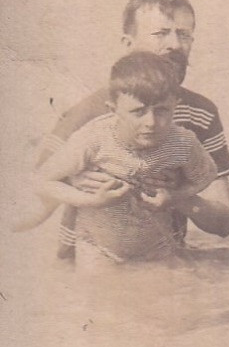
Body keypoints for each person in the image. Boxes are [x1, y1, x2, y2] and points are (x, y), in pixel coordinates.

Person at [24, 0, 229, 254]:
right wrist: (77, 183)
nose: (174, 44)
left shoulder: (201, 113)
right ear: (127, 44)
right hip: (87, 257)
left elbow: (225, 223)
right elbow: (34, 196)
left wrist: (178, 197)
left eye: (183, 34)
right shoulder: (90, 113)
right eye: (160, 33)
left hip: (159, 258)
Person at [34, 52, 218, 268]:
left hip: (158, 249)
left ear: (175, 106)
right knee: (99, 297)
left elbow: (207, 174)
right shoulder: (94, 138)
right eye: (138, 112)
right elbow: (42, 181)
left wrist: (175, 196)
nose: (151, 122)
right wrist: (93, 200)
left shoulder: (182, 142)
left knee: (166, 298)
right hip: (99, 249)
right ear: (114, 110)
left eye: (162, 111)